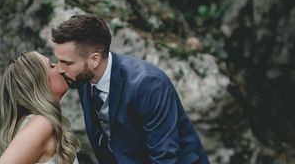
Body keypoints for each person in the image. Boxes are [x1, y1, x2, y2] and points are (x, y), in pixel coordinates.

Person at [51, 14, 210, 164]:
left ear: (94, 59)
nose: (59, 69)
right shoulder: (83, 78)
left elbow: (165, 157)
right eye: (58, 61)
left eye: (67, 63)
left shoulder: (148, 84)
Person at [0, 51, 81, 164]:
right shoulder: (41, 123)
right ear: (38, 82)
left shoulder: (39, 123)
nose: (59, 67)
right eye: (51, 66)